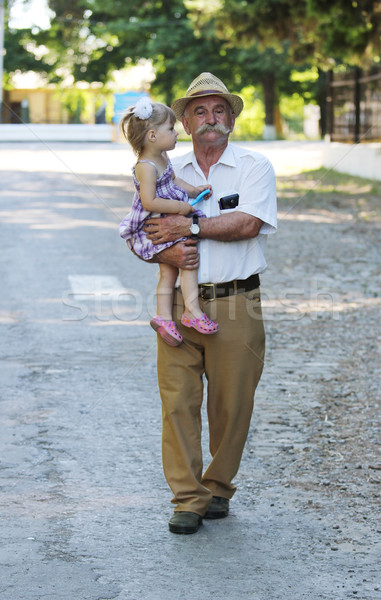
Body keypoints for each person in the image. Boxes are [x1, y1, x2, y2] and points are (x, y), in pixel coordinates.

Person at [139, 73, 277, 534]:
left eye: (219, 110)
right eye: (199, 111)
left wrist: (191, 229)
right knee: (177, 403)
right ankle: (187, 498)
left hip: (239, 303)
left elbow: (248, 223)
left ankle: (218, 486)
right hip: (180, 304)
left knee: (231, 407)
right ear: (184, 120)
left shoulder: (254, 166)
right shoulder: (166, 170)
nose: (209, 119)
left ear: (232, 119)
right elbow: (142, 228)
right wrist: (165, 250)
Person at [119, 97, 218, 346]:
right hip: (158, 218)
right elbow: (149, 201)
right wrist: (180, 207)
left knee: (175, 267)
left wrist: (194, 191)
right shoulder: (146, 166)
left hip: (169, 214)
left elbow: (175, 182)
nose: (176, 134)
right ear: (152, 136)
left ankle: (168, 316)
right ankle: (188, 312)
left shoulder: (163, 158)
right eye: (171, 129)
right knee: (182, 264)